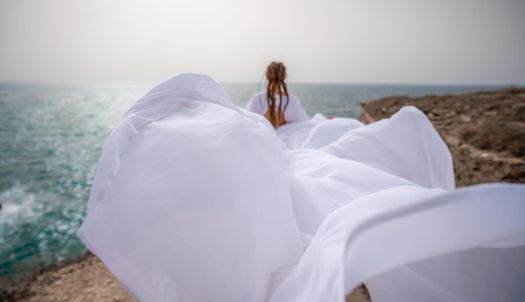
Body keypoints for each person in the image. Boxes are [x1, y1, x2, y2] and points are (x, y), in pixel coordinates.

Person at [77, 73, 525, 302]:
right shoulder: (287, 101)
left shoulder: (254, 105)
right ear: (284, 79)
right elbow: (302, 125)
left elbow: (266, 135)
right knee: (331, 192)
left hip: (275, 149)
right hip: (284, 148)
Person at [246, 61, 309, 127]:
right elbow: (306, 125)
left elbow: (248, 124)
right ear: (284, 77)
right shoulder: (293, 101)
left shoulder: (257, 99)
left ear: (267, 77)